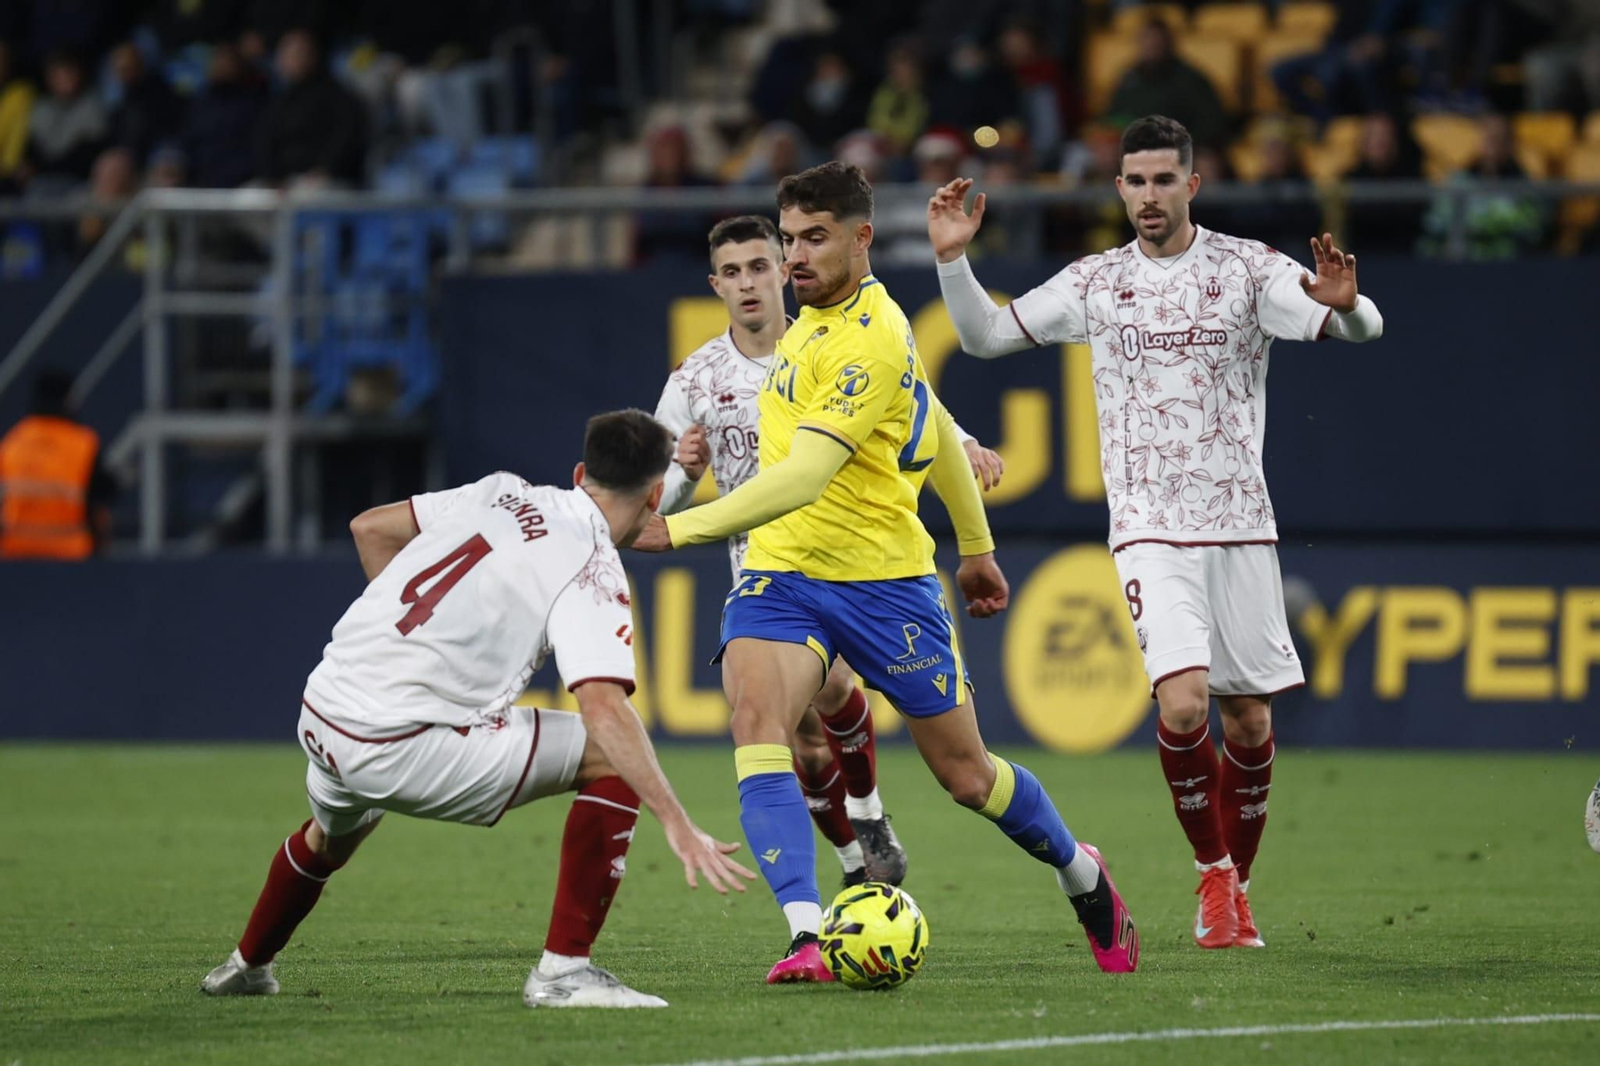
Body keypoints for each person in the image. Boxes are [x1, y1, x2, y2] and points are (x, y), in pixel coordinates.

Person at [632, 162, 1138, 983]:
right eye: (787, 239)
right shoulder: (806, 328)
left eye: (813, 239)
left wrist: (677, 530)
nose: (794, 256)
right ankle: (806, 934)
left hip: (884, 585)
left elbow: (823, 469)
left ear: (862, 238)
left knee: (968, 778)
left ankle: (1083, 875)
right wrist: (978, 550)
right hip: (781, 574)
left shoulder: (873, 334)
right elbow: (930, 423)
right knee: (759, 721)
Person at [928, 115, 1385, 952]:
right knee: (1182, 706)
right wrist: (954, 258)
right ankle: (1213, 877)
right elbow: (984, 336)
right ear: (1120, 189)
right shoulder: (1097, 281)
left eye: (1162, 180)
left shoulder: (1247, 269)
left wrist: (1349, 310)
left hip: (1242, 526)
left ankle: (1237, 888)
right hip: (1148, 528)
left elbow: (1360, 326)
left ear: (1191, 185)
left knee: (1246, 720)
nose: (1147, 196)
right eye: (1134, 182)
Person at [200, 410, 755, 1008]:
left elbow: (371, 529)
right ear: (654, 494)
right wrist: (676, 820)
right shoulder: (592, 569)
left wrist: (413, 651)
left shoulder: (500, 492)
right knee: (612, 758)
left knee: (331, 838)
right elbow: (604, 710)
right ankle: (564, 973)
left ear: (579, 473)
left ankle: (247, 964)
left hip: (325, 708)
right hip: (399, 739)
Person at [654, 213, 1005, 887]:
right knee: (805, 747)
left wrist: (959, 442)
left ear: (783, 271)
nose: (748, 283)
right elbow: (659, 497)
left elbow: (913, 397)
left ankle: (868, 812)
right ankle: (856, 862)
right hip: (759, 573)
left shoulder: (836, 342)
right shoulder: (693, 380)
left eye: (760, 266)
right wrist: (682, 474)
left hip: (842, 559)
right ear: (715, 285)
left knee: (838, 685)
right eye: (732, 273)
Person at [0, 369, 113, 559]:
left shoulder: (12, 442)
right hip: (69, 555)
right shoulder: (83, 444)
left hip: (16, 554)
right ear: (68, 400)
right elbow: (100, 501)